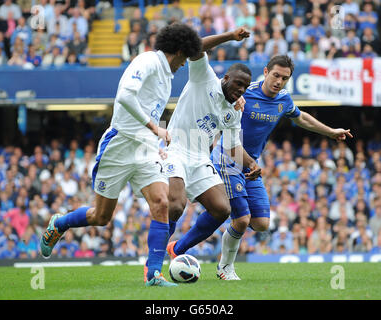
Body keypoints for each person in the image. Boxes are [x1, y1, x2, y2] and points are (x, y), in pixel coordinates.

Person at [40, 23, 202, 287]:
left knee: (162, 203)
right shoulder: (148, 61)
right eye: (185, 58)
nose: (184, 65)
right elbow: (125, 95)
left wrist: (152, 136)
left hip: (146, 148)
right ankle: (60, 223)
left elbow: (150, 106)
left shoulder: (166, 75)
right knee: (101, 217)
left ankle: (153, 274)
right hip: (119, 145)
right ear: (180, 51)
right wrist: (153, 126)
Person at [211, 55, 353, 280]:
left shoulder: (284, 99)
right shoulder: (245, 91)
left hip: (252, 166)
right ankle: (225, 268)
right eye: (276, 75)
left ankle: (190, 243)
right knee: (241, 219)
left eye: (285, 78)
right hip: (228, 157)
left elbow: (301, 118)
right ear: (266, 72)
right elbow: (215, 98)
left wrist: (331, 131)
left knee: (261, 223)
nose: (279, 81)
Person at [164, 28, 260, 267]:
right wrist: (229, 36)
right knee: (176, 206)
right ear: (225, 78)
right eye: (238, 84)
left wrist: (251, 163)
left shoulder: (233, 111)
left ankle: (176, 249)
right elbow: (195, 45)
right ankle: (153, 264)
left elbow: (231, 147)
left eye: (245, 87)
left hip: (199, 157)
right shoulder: (203, 77)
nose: (241, 90)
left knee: (221, 209)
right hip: (175, 147)